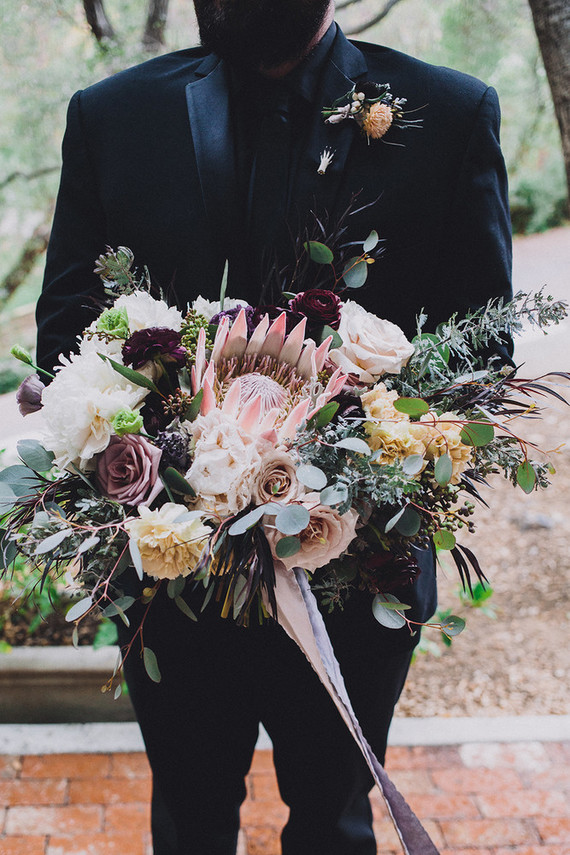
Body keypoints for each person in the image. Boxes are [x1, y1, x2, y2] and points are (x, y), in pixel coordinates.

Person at [36, 2, 512, 853]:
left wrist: (368, 447)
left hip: (355, 573)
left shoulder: (449, 114)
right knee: (189, 824)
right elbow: (66, 331)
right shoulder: (112, 117)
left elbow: (482, 358)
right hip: (171, 577)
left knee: (335, 826)